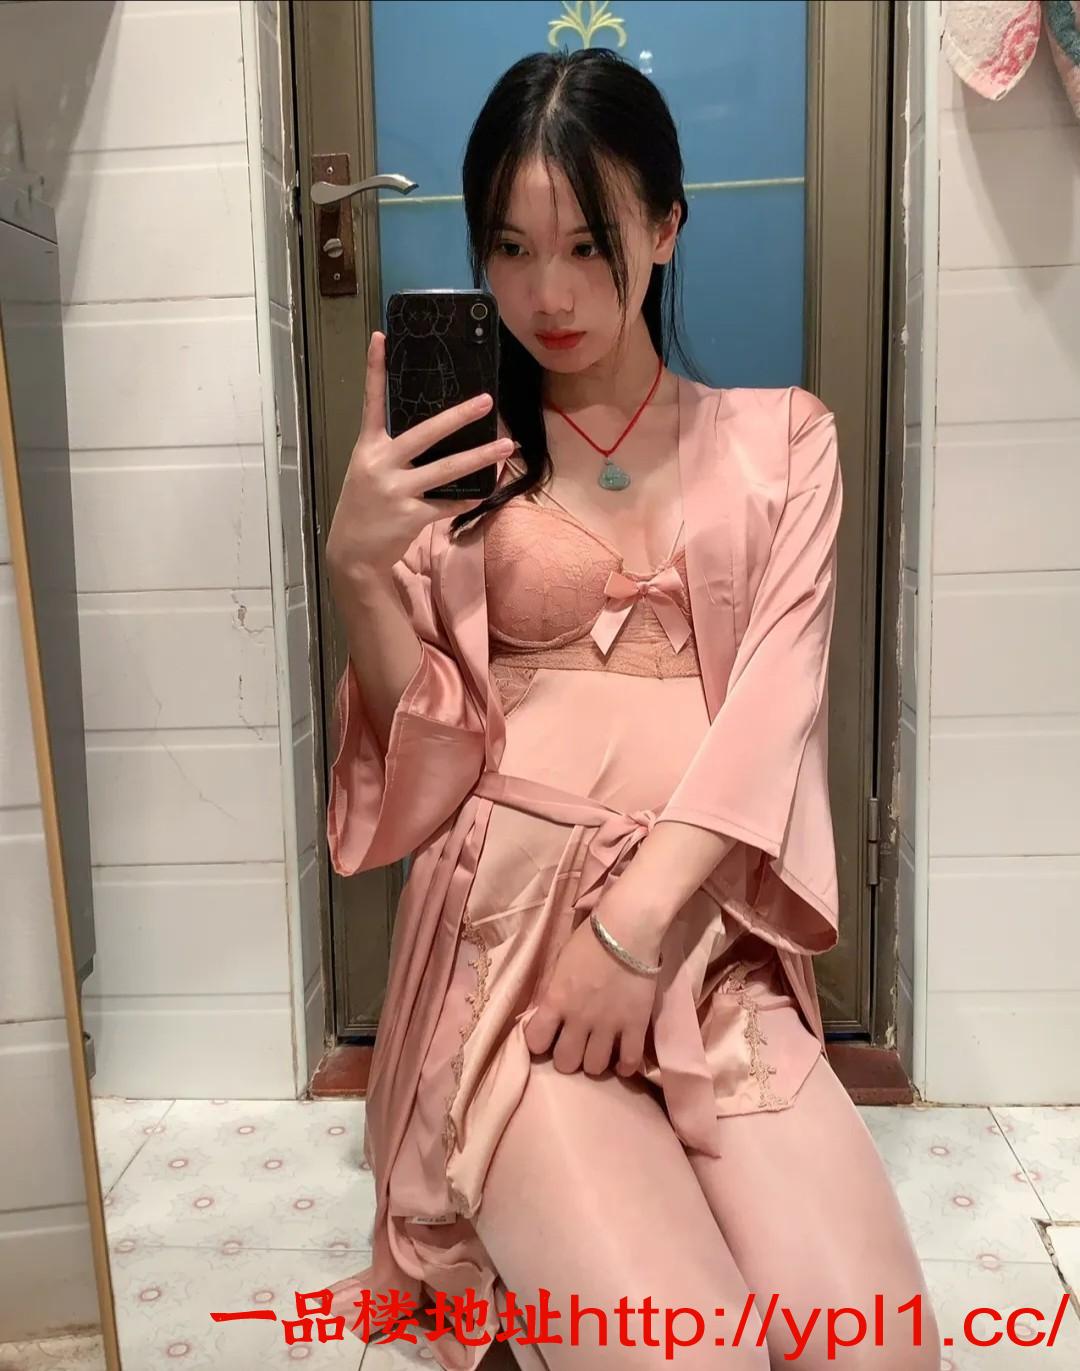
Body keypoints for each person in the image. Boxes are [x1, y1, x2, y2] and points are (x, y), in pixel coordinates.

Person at [323, 48, 939, 1371]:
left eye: (588, 245)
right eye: (509, 247)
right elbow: (421, 782)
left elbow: (775, 706)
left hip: (702, 943)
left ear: (665, 227)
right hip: (514, 961)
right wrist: (362, 574)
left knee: (880, 1354)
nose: (546, 295)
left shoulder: (785, 443)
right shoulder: (454, 473)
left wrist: (634, 930)